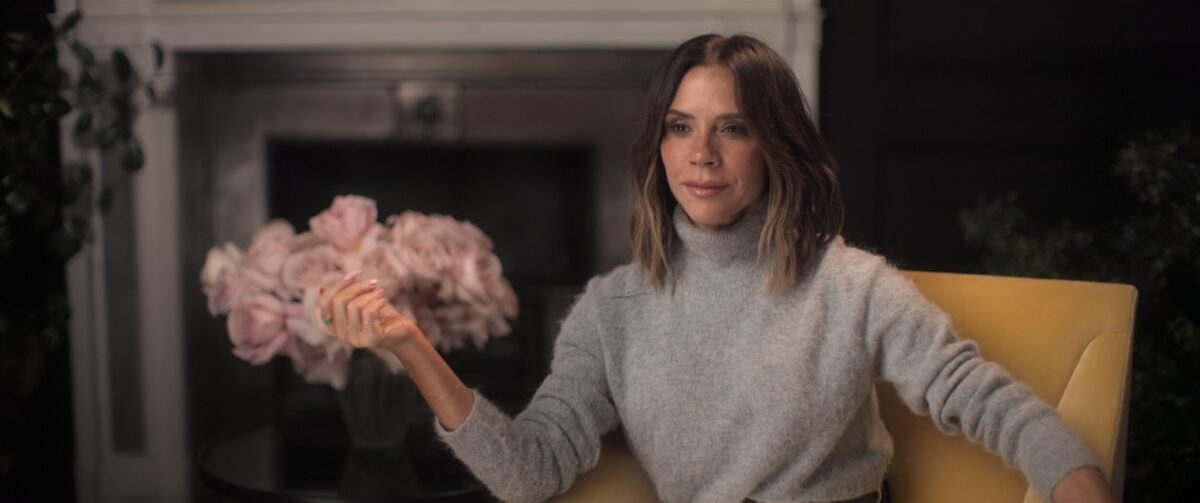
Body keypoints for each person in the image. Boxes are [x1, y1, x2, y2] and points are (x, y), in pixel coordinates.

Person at [318, 34, 1115, 503]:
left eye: (731, 127)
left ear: (776, 145)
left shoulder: (852, 287)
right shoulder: (612, 309)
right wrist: (413, 348)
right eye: (680, 126)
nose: (700, 154)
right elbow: (529, 471)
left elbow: (978, 395)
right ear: (659, 145)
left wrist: (1074, 475)